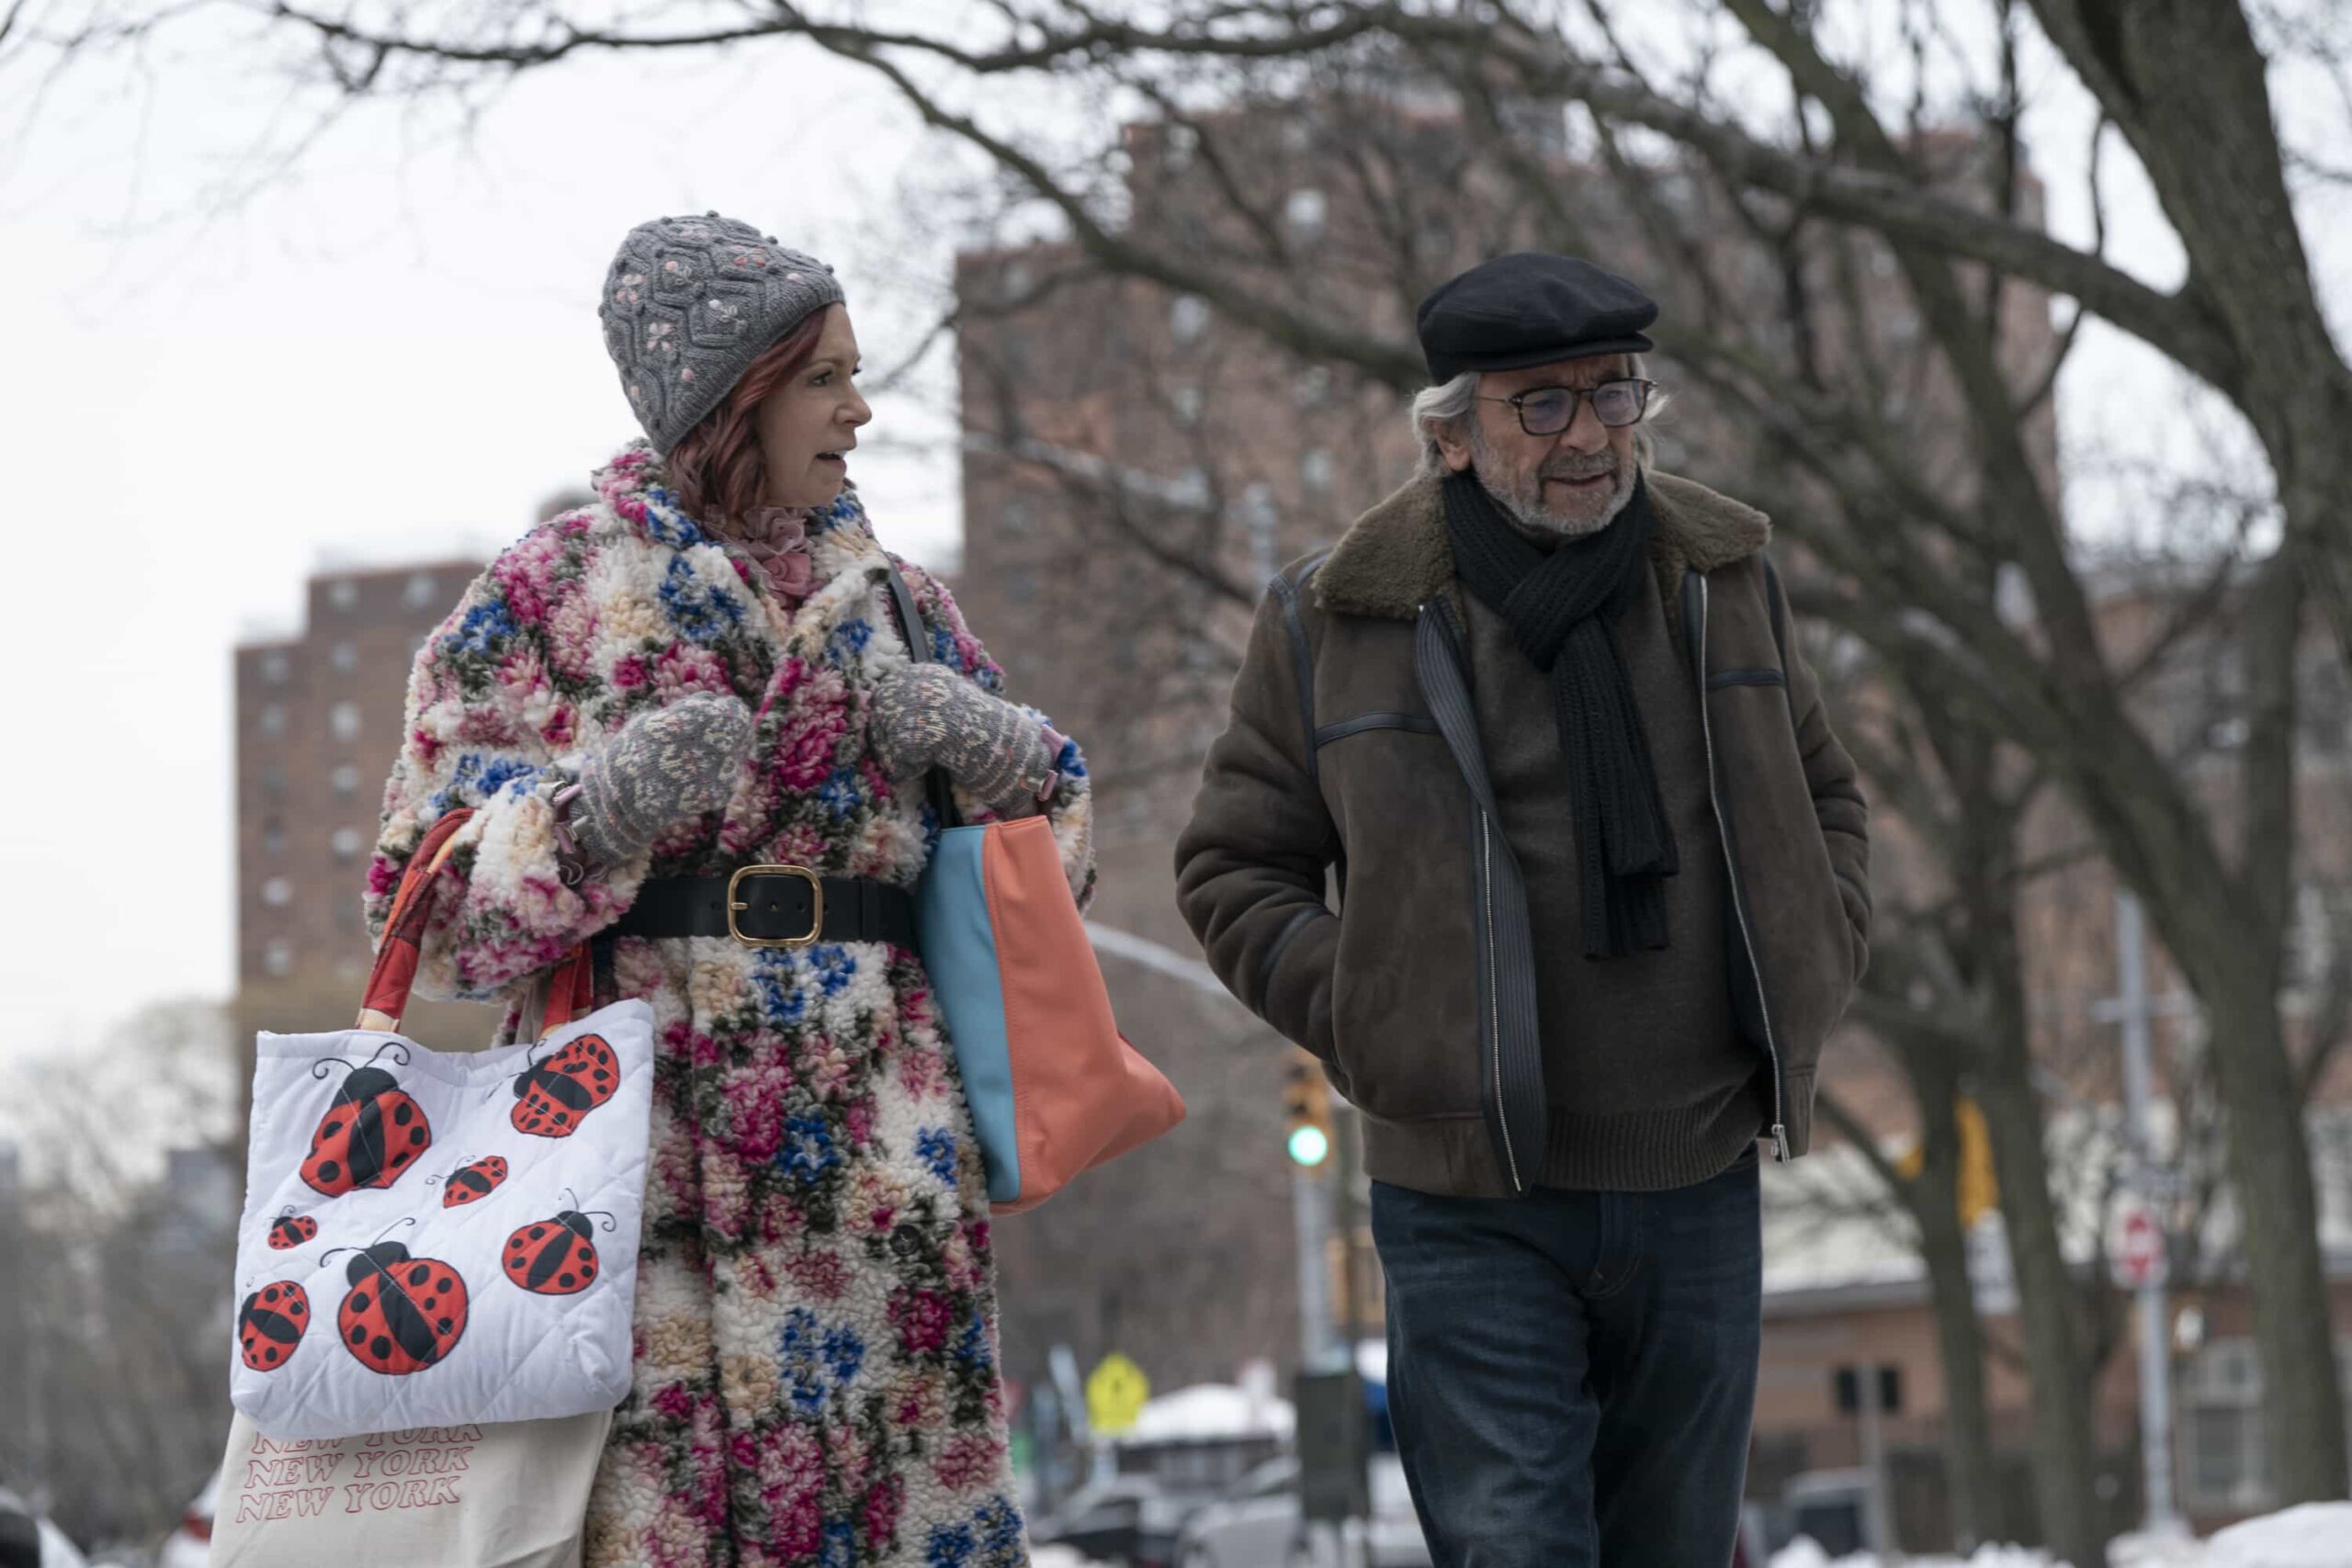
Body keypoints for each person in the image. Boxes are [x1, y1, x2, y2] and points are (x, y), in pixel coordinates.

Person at [366, 212, 1091, 1566]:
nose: (862, 412)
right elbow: (421, 898)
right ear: (732, 394)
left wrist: (1011, 764)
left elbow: (1060, 880)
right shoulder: (549, 595)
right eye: (827, 378)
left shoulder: (903, 605)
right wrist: (598, 815)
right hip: (633, 1191)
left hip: (882, 1170)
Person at [1174, 253, 1870, 1565]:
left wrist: (1821, 945)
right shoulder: (1339, 618)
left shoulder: (1725, 579)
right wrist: (1377, 1018)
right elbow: (1231, 866)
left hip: (1698, 1176)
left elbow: (1828, 795)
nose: (1590, 436)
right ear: (1450, 435)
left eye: (1614, 395)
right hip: (1468, 1202)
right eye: (1539, 406)